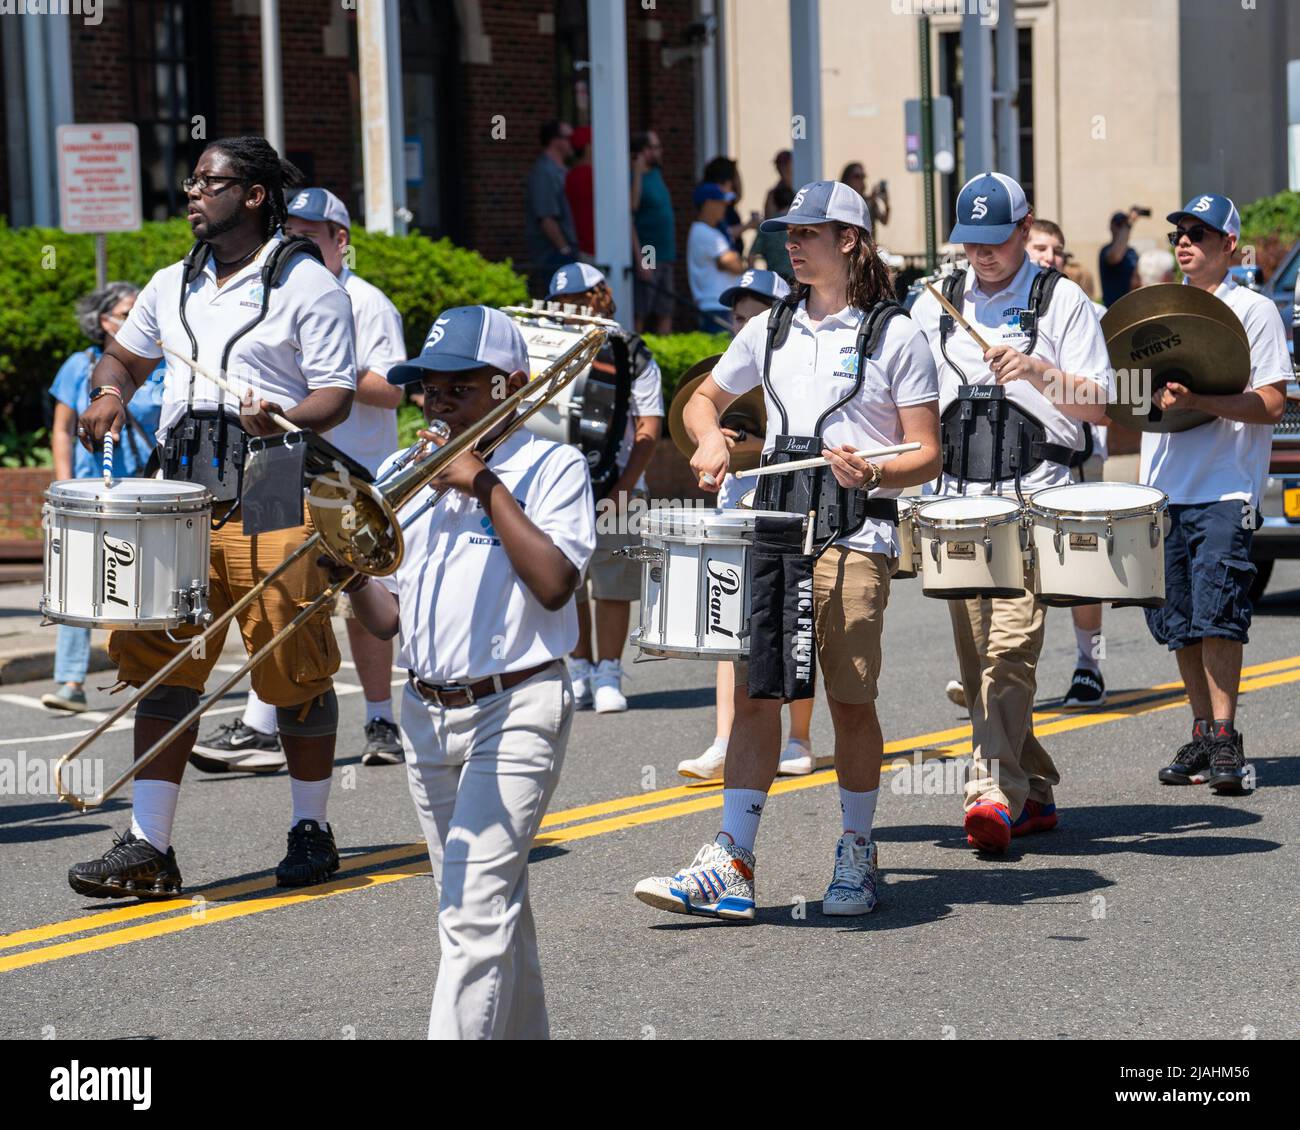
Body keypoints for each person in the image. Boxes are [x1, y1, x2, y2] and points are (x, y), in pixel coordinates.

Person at [635, 180, 942, 919]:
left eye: (810, 232)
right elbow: (705, 398)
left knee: (848, 698)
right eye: (789, 233)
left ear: (850, 241)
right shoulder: (768, 328)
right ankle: (734, 861)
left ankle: (857, 852)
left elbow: (928, 453)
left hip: (856, 533)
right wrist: (709, 437)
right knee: (755, 694)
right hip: (772, 531)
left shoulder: (894, 334)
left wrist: (873, 468)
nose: (793, 244)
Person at [67, 136, 356, 899]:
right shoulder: (172, 281)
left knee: (293, 667)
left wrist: (285, 418)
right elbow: (124, 360)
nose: (193, 193)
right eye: (191, 181)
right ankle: (149, 847)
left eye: (209, 182)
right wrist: (109, 393)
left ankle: (310, 828)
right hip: (181, 490)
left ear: (255, 194)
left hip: (272, 483)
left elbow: (335, 394)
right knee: (160, 667)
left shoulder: (308, 284)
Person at [344, 305, 595, 1038]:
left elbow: (553, 584)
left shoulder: (553, 464)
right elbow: (387, 620)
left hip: (516, 705)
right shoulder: (400, 472)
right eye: (427, 388)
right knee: (489, 909)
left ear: (510, 386)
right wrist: (348, 571)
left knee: (469, 913)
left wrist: (482, 485)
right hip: (426, 712)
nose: (437, 403)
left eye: (458, 388)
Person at [911, 172, 1113, 856]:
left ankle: (990, 792)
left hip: (1033, 498)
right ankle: (1037, 791)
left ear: (1025, 229)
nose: (981, 255)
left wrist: (1036, 371)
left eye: (994, 241)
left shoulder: (1063, 302)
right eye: (970, 242)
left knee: (1009, 651)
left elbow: (1099, 406)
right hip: (958, 505)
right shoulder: (935, 304)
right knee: (977, 671)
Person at [192, 187, 409, 771]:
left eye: (311, 235)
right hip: (276, 462)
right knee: (276, 593)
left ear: (341, 241)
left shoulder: (365, 303)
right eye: (291, 232)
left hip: (342, 472)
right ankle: (265, 721)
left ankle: (381, 719)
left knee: (362, 596)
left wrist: (328, 369)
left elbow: (391, 390)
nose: (297, 244)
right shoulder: (270, 292)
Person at [1144, 195, 1289, 792]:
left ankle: (1226, 737)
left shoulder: (1253, 310)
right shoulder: (1155, 312)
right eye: (1179, 230)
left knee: (1220, 614)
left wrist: (1200, 401)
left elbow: (1274, 402)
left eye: (1200, 233)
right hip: (1163, 489)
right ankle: (1203, 732)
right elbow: (1126, 393)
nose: (1186, 241)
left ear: (1229, 245)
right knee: (1179, 621)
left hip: (1226, 487)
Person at [674, 268, 825, 782]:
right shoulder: (730, 370)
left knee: (798, 622)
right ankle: (725, 738)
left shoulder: (802, 366)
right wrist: (715, 438)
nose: (743, 325)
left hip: (793, 502)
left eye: (754, 316)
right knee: (731, 622)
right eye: (737, 317)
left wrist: (752, 441)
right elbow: (696, 416)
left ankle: (799, 737)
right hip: (738, 500)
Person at [546, 263, 664, 714]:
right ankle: (579, 668)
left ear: (598, 296)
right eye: (560, 303)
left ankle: (609, 670)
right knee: (568, 577)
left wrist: (625, 485)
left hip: (617, 482)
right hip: (557, 484)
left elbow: (649, 423)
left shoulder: (628, 349)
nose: (568, 311)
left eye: (577, 300)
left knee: (613, 578)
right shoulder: (547, 347)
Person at [43, 283, 166, 713]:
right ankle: (71, 681)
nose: (134, 320)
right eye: (125, 313)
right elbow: (62, 429)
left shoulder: (161, 364)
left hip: (143, 489)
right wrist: (61, 487)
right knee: (79, 579)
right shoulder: (79, 365)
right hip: (89, 487)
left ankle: (143, 673)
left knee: (141, 582)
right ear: (103, 321)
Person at [1028, 217, 1108, 706]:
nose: (1049, 256)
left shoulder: (1087, 310)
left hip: (1080, 455)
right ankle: (1002, 670)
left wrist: (1042, 376)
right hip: (1020, 463)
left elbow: (1105, 396)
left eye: (1057, 250)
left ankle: (1090, 664)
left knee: (1083, 574)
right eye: (1040, 246)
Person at [630, 130, 677, 335]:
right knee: (643, 307)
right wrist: (641, 259)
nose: (660, 151)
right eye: (655, 147)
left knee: (665, 307)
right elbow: (632, 208)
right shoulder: (634, 176)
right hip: (650, 249)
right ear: (643, 151)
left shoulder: (657, 173)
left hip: (666, 252)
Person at [524, 120, 578, 297]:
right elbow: (546, 217)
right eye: (569, 137)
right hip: (554, 255)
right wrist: (564, 250)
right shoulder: (544, 172)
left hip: (565, 252)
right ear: (556, 141)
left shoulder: (562, 170)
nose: (574, 142)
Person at [687, 182, 745, 332]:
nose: (725, 206)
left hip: (720, 306)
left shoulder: (714, 231)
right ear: (708, 204)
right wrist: (738, 260)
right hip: (715, 307)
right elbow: (735, 265)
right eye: (720, 202)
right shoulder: (703, 231)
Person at [748, 183, 795, 282]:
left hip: (774, 281)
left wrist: (754, 281)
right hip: (797, 280)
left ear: (775, 202)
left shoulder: (767, 226)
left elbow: (751, 256)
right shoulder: (798, 223)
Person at [1098, 207, 1142, 307]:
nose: (1121, 229)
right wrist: (1128, 224)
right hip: (1113, 308)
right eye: (1119, 224)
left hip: (1132, 307)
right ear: (1111, 226)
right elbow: (1115, 256)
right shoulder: (1105, 250)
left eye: (1123, 224)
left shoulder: (1132, 252)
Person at [565, 126, 595, 257]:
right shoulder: (596, 176)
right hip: (599, 250)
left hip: (580, 248)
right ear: (588, 147)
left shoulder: (569, 176)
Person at [841, 162, 890, 230]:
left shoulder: (869, 200)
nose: (861, 180)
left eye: (863, 176)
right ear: (847, 179)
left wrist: (886, 204)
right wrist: (871, 200)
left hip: (868, 240)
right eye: (857, 176)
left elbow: (884, 221)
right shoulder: (841, 200)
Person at [762, 149, 793, 219]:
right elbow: (769, 219)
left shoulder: (804, 187)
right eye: (780, 163)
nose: (783, 167)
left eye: (785, 163)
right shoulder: (773, 194)